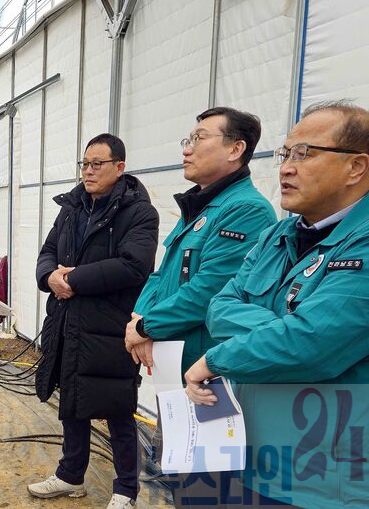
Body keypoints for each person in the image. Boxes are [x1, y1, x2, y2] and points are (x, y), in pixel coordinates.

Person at [185, 101, 369, 508]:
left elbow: (312, 345)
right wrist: (284, 328)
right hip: (251, 458)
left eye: (304, 154)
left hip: (324, 480)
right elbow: (219, 306)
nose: (286, 168)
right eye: (285, 154)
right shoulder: (278, 235)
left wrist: (215, 359)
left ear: (356, 167)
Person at [123, 107, 276, 507]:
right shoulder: (202, 208)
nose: (187, 149)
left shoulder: (246, 210)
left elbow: (210, 290)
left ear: (235, 149)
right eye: (187, 140)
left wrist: (146, 327)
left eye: (199, 139)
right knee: (180, 477)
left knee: (205, 486)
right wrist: (140, 319)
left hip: (209, 378)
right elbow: (162, 274)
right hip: (178, 370)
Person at [28, 133, 160, 509]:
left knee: (118, 409)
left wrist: (72, 279)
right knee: (71, 400)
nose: (88, 171)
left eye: (96, 164)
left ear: (119, 167)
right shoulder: (72, 207)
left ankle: (126, 490)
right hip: (68, 321)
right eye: (84, 164)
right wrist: (49, 276)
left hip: (109, 328)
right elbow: (48, 250)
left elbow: (133, 265)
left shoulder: (139, 213)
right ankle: (71, 475)